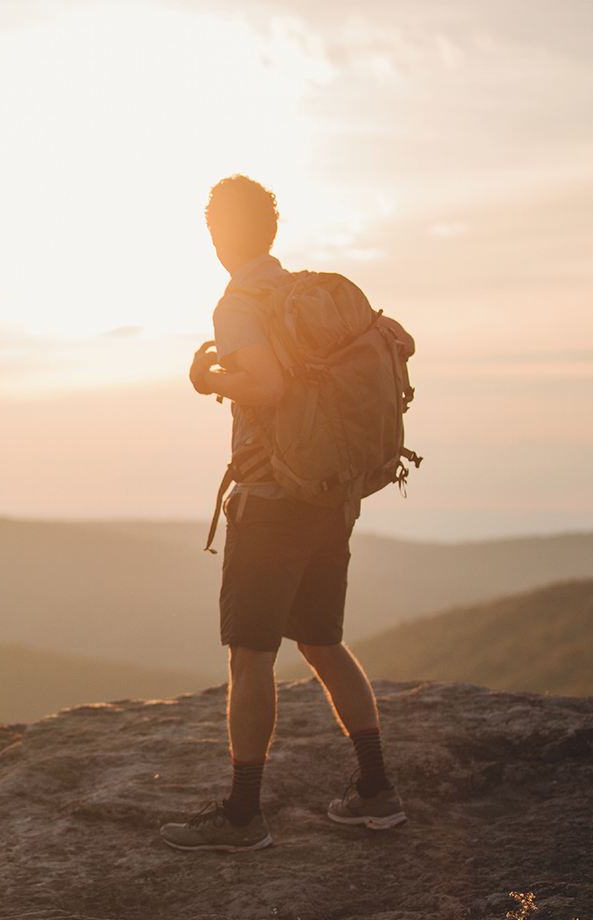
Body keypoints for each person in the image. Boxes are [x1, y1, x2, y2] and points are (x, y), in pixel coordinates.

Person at [160, 175, 407, 853]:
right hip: (333, 494)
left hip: (273, 502)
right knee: (323, 642)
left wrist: (210, 380)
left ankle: (242, 817)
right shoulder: (305, 295)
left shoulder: (240, 303)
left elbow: (265, 384)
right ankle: (376, 791)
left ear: (219, 236)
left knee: (251, 657)